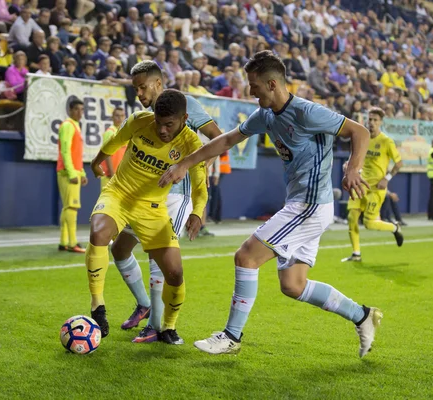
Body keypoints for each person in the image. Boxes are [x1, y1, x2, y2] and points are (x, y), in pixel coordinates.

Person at [159, 51, 381, 357]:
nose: (250, 92)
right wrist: (186, 163)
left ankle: (231, 336)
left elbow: (360, 131)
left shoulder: (307, 112)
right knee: (293, 284)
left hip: (310, 206)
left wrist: (353, 167)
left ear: (273, 84)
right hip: (304, 205)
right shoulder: (265, 115)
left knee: (245, 256)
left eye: (254, 86)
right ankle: (363, 315)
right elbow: (226, 140)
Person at [106, 60, 222, 343]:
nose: (140, 94)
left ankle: (160, 326)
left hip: (175, 195)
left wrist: (190, 165)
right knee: (119, 250)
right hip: (143, 195)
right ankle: (146, 305)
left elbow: (217, 139)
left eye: (143, 87)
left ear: (159, 83)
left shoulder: (187, 105)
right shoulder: (146, 117)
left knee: (158, 258)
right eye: (136, 89)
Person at [88, 89, 208, 344]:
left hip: (152, 208)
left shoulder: (191, 144)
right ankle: (98, 307)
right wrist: (97, 161)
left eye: (169, 124)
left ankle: (168, 327)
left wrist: (198, 212)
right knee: (99, 233)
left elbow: (200, 186)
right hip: (118, 194)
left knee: (174, 273)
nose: (162, 130)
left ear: (184, 118)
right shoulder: (139, 121)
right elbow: (115, 141)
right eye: (158, 122)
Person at [342, 107, 404, 262]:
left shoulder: (386, 141)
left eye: (375, 120)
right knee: (352, 217)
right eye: (370, 119)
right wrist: (349, 166)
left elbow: (399, 163)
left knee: (369, 224)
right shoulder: (362, 138)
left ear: (381, 122)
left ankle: (395, 227)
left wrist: (387, 178)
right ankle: (356, 254)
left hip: (376, 188)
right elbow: (355, 158)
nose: (372, 122)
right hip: (360, 184)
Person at [57, 99, 88, 254]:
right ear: (70, 109)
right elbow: (65, 150)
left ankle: (64, 242)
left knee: (67, 207)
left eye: (82, 109)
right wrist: (71, 172)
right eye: (76, 109)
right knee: (72, 207)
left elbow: (76, 153)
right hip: (68, 172)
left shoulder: (75, 125)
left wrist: (81, 172)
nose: (79, 112)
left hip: (73, 170)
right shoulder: (68, 125)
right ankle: (73, 242)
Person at [99, 107, 126, 191]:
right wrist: (112, 174)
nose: (119, 118)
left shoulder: (123, 133)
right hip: (109, 176)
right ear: (112, 117)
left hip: (119, 177)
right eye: (117, 116)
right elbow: (107, 155)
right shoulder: (110, 132)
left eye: (122, 116)